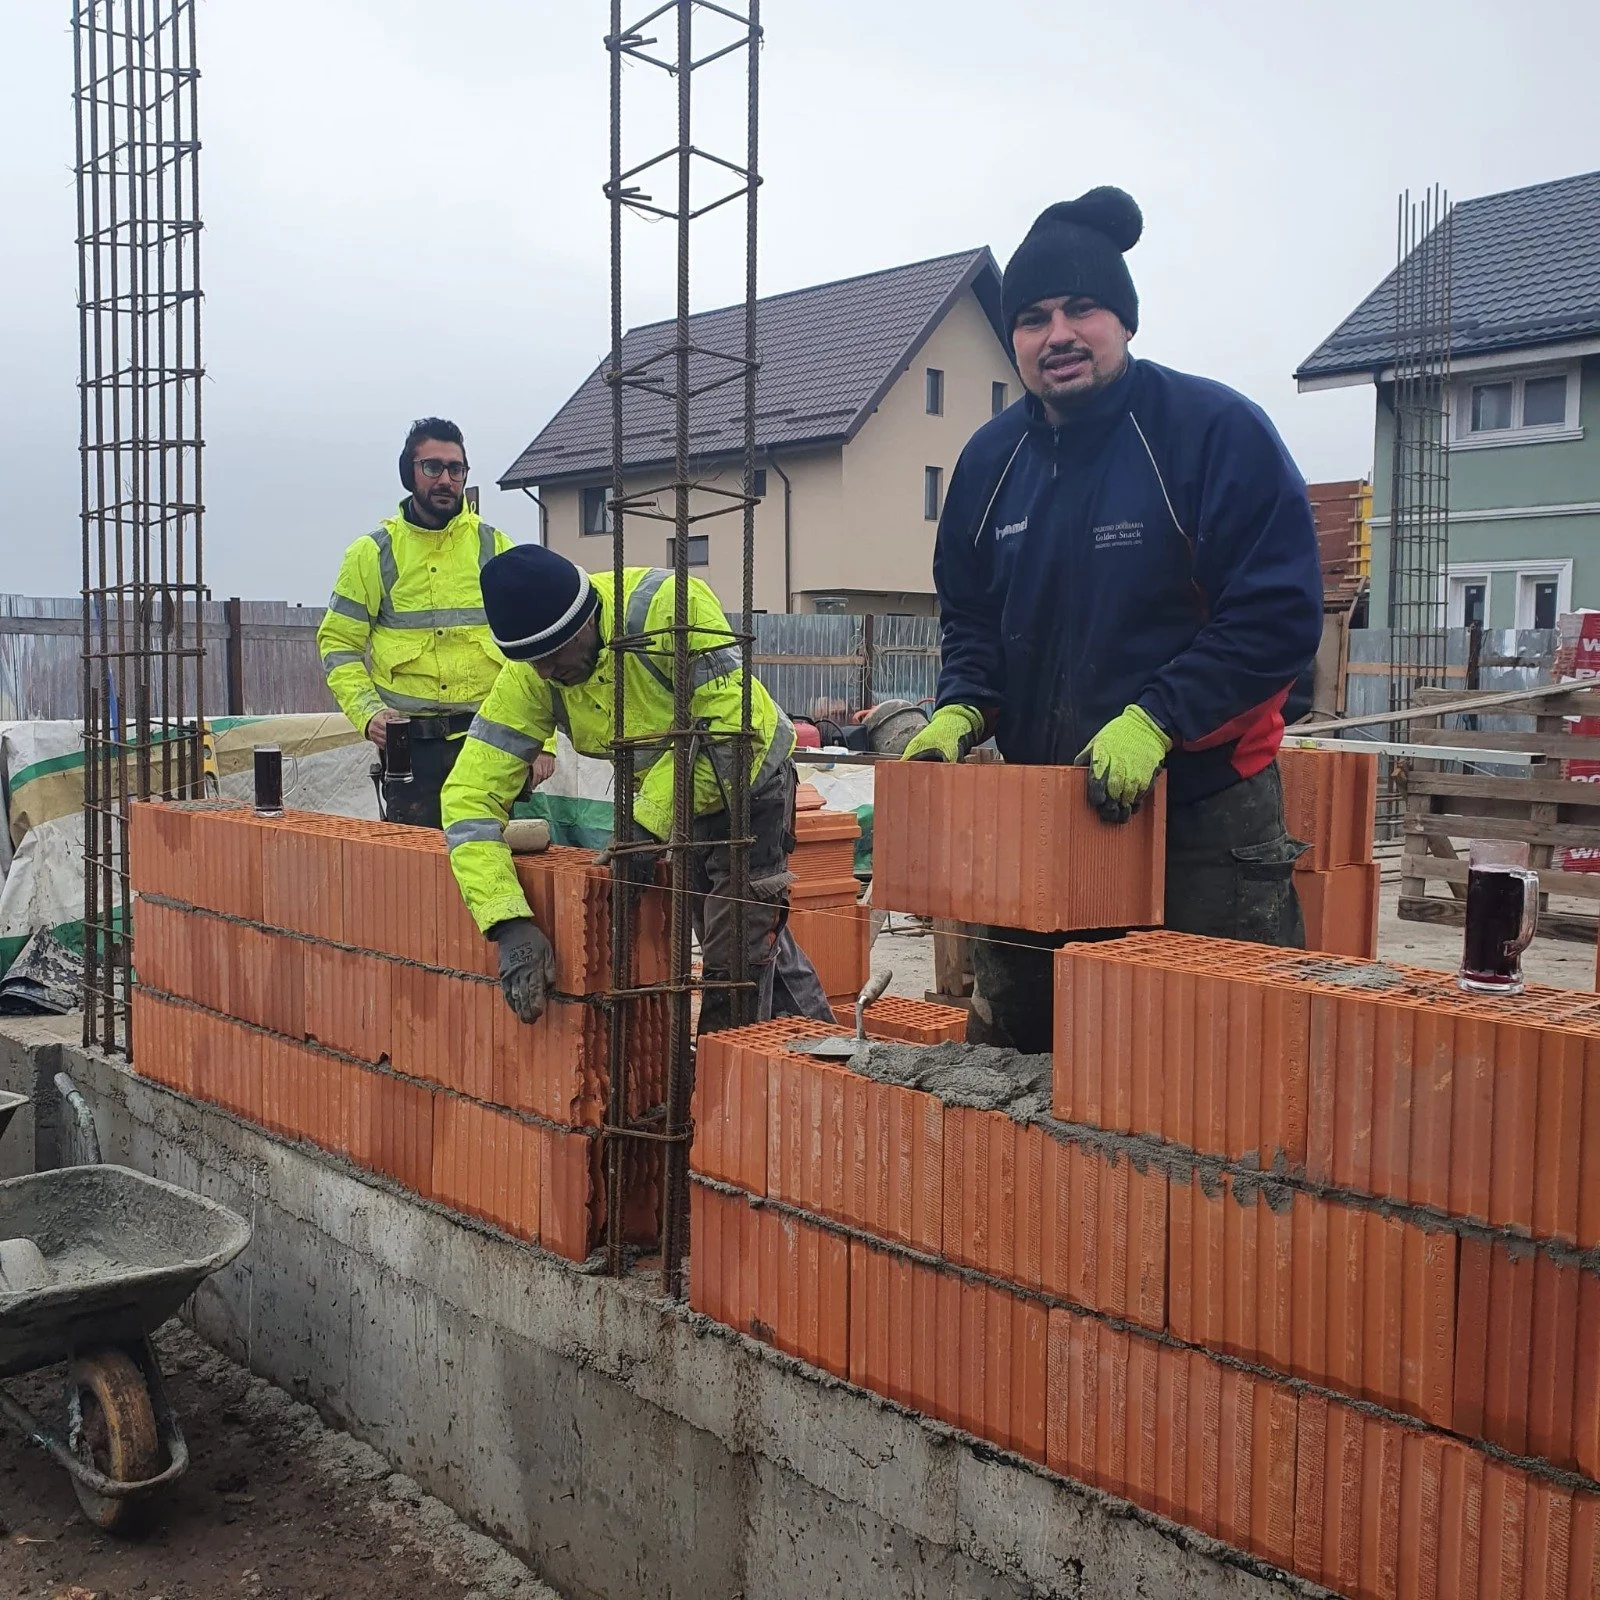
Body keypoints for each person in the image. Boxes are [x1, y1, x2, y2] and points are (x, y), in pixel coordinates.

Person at [903, 186, 1324, 1053]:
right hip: (1047, 815)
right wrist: (963, 705)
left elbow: (1275, 616)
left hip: (1204, 818)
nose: (1056, 333)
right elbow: (974, 619)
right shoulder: (989, 463)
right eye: (1031, 317)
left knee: (1216, 1068)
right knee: (1021, 1064)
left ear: (1124, 321)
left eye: (1081, 308)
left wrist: (1157, 718)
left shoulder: (1210, 432)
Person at [439, 544, 833, 1034]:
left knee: (732, 961)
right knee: (747, 934)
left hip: (749, 787)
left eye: (552, 655)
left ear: (583, 622)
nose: (544, 672)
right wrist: (506, 922)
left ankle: (715, 1094)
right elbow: (468, 798)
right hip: (672, 807)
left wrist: (646, 824)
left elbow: (732, 728)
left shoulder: (668, 606)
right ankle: (833, 1051)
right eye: (531, 662)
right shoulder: (535, 677)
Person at [316, 417, 541, 828]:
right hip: (410, 752)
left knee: (493, 859)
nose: (446, 479)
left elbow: (533, 650)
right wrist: (368, 714)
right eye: (432, 467)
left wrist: (546, 744)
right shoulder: (372, 554)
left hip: (489, 739)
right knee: (414, 873)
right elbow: (338, 645)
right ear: (409, 473)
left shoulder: (495, 547)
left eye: (456, 469)